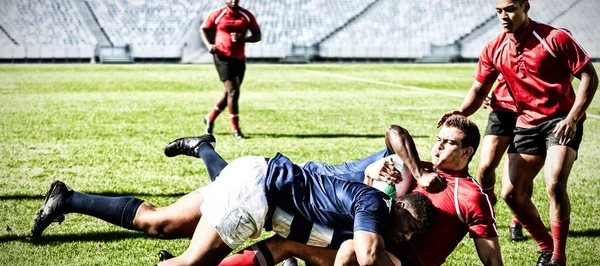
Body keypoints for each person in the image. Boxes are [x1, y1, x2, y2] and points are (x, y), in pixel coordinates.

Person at [31, 135, 434, 266]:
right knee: (191, 263)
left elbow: (341, 252)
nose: (407, 237)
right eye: (410, 229)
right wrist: (416, 172)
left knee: (159, 223)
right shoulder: (379, 193)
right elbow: (364, 254)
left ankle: (67, 199)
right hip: (261, 191)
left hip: (258, 181)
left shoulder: (365, 214)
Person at [180, 115, 502, 266]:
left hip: (381, 253)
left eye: (449, 143)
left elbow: (491, 259)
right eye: (438, 139)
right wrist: (374, 172)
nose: (439, 146)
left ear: (468, 151)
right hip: (341, 212)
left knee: (332, 248)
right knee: (283, 236)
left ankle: (205, 151)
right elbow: (393, 134)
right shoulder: (412, 166)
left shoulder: (471, 195)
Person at [437, 1, 598, 265]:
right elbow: (479, 90)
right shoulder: (494, 47)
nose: (504, 16)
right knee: (511, 193)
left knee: (555, 183)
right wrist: (460, 113)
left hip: (560, 120)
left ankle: (558, 257)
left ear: (526, 6)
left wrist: (572, 118)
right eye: (499, 11)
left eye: (510, 9)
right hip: (525, 123)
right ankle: (546, 246)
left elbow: (589, 76)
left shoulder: (555, 38)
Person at [200, 0, 261, 139]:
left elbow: (258, 35)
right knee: (233, 91)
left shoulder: (246, 15)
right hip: (222, 57)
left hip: (239, 59)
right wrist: (209, 45)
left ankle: (210, 117)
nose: (233, 0)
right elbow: (203, 28)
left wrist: (244, 39)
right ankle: (236, 130)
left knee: (229, 93)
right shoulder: (217, 14)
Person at [478, 76, 528, 242]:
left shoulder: (552, 49)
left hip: (532, 111)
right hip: (501, 110)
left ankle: (517, 222)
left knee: (520, 174)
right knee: (485, 166)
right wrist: (485, 91)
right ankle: (487, 206)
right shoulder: (498, 49)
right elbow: (487, 73)